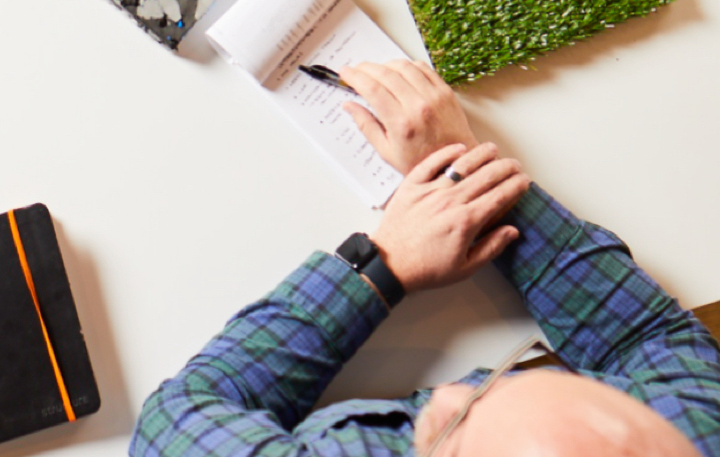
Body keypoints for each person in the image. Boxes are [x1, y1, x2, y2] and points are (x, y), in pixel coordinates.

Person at [131, 60, 720, 457]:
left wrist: (380, 266)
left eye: (453, 433)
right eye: (510, 384)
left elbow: (171, 424)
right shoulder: (692, 437)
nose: (452, 391)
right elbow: (649, 344)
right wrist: (463, 171)